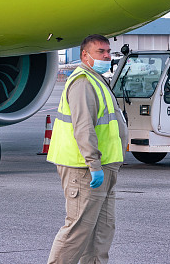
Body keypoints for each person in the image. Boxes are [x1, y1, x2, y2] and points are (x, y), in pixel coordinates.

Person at [47, 34, 128, 264]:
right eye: (100, 52)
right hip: (84, 169)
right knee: (78, 230)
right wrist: (94, 164)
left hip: (106, 167)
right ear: (85, 55)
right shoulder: (82, 82)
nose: (107, 56)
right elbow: (84, 128)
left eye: (108, 51)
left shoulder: (97, 79)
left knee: (101, 232)